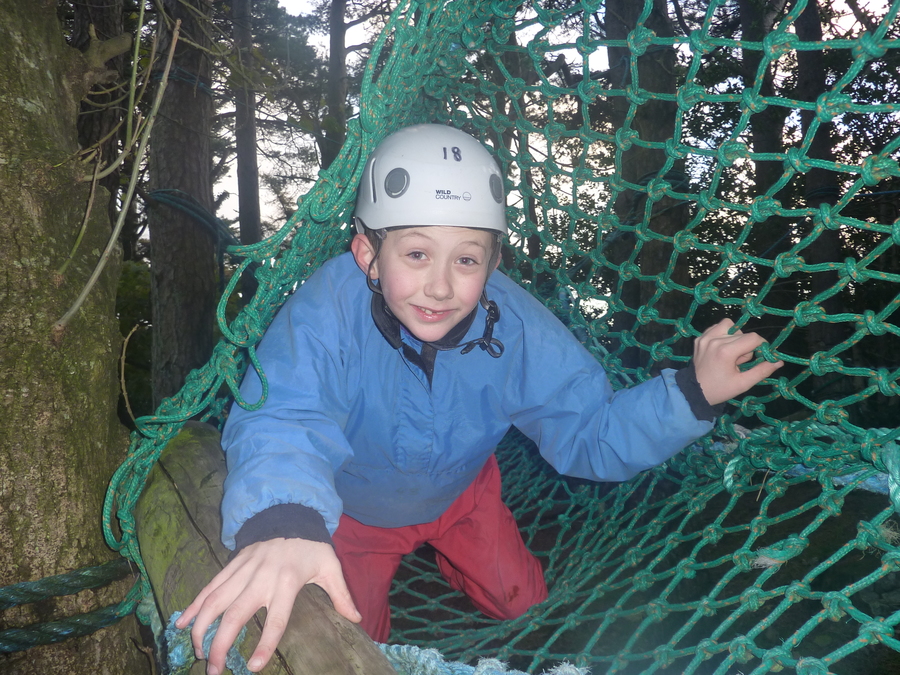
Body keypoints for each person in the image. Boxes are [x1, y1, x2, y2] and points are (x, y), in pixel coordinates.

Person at [176, 124, 783, 675]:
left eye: (466, 259)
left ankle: (462, 569)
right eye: (415, 254)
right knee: (352, 639)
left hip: (464, 496)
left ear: (492, 262)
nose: (439, 286)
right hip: (353, 511)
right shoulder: (327, 312)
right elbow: (286, 412)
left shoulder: (512, 325)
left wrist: (694, 394)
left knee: (524, 601)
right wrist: (285, 521)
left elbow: (589, 429)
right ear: (368, 254)